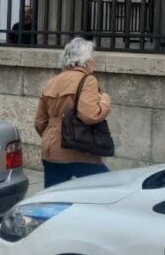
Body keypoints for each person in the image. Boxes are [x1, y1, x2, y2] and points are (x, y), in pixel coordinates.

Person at [35, 37, 112, 188]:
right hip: (77, 149)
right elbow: (89, 115)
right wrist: (105, 102)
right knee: (108, 187)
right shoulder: (88, 80)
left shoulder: (52, 81)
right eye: (92, 58)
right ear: (86, 61)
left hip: (50, 150)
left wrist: (52, 135)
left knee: (53, 197)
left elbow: (39, 121)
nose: (93, 62)